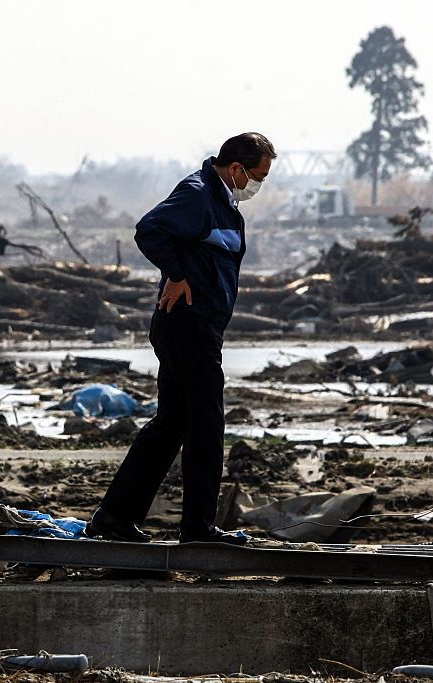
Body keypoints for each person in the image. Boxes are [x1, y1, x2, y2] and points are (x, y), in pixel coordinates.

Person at [86, 132, 276, 545]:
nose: (259, 185)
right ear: (236, 169)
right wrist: (176, 273)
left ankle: (114, 518)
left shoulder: (222, 202)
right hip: (187, 326)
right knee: (206, 423)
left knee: (172, 423)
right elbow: (149, 229)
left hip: (197, 326)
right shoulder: (198, 193)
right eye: (258, 175)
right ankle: (198, 530)